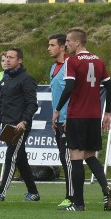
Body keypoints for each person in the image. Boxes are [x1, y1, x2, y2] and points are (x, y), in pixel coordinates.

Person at [53, 27, 111, 212]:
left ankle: (78, 203)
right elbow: (109, 87)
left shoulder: (72, 61)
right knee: (89, 154)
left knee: (76, 156)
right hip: (94, 115)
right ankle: (105, 187)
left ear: (77, 42)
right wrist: (108, 112)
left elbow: (69, 86)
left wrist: (57, 109)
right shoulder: (98, 60)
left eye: (69, 42)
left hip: (77, 114)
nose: (67, 45)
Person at [0, 47, 40, 202]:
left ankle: (1, 193)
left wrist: (24, 121)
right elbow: (2, 103)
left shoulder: (26, 78)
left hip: (18, 126)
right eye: (6, 57)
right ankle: (33, 192)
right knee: (20, 158)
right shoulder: (7, 78)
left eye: (11, 57)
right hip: (7, 124)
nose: (7, 60)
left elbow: (32, 104)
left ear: (20, 60)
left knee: (11, 156)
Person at [47, 34, 71, 209]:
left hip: (69, 121)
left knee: (69, 158)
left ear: (62, 47)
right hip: (58, 119)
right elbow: (56, 95)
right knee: (65, 158)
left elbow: (75, 94)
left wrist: (68, 116)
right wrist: (54, 115)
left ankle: (71, 196)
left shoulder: (71, 66)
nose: (49, 48)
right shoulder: (53, 67)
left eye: (52, 45)